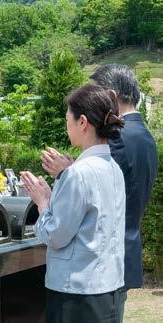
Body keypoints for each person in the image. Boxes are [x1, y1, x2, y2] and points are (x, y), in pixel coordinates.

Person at [41, 64, 158, 317]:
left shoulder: (118, 138)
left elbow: (95, 195)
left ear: (112, 97)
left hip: (94, 263)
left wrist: (66, 174)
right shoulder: (146, 136)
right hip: (121, 256)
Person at [21, 84, 126, 322]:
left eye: (67, 118)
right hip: (109, 287)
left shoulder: (78, 173)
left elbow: (56, 235)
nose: (66, 125)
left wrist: (43, 202)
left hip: (76, 292)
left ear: (82, 122)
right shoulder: (113, 168)